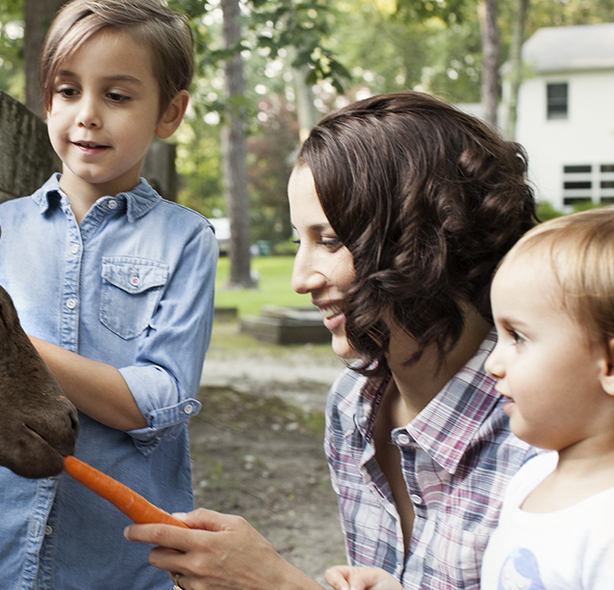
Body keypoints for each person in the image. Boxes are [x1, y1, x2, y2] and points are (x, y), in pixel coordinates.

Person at [124, 91, 539, 590]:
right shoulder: (353, 407)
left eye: (330, 241)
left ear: (424, 238)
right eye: (301, 240)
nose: (302, 278)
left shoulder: (540, 433)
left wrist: (279, 584)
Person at [0, 0, 218, 588]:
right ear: (48, 102)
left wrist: (3, 337)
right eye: (68, 91)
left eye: (117, 96)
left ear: (169, 114)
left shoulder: (186, 238)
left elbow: (157, 400)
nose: (87, 115)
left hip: (116, 564)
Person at [324, 206, 614, 590]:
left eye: (518, 337)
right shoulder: (531, 481)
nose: (493, 363)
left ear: (609, 365)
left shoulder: (603, 526)